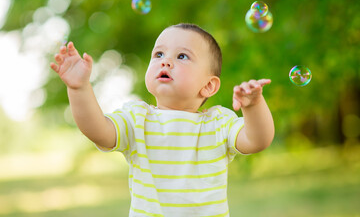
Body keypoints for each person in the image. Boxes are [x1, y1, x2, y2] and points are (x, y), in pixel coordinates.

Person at [50, 23, 275, 217]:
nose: (165, 62)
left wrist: (253, 106)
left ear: (208, 85)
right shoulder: (137, 118)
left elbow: (257, 140)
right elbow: (98, 130)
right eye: (158, 54)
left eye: (182, 56)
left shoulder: (218, 123)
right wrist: (79, 88)